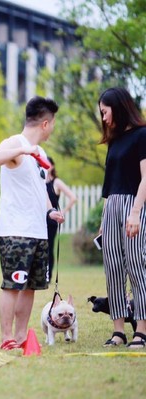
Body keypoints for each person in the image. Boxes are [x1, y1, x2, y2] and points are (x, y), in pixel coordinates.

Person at [0, 96, 64, 350]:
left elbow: (39, 190)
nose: (52, 128)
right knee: (13, 285)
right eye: (52, 123)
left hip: (38, 231)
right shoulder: (16, 143)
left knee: (30, 287)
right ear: (44, 123)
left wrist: (51, 210)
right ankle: (6, 337)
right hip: (15, 231)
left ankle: (21, 337)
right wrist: (22, 150)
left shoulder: (40, 153)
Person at [98, 87, 146, 349]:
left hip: (134, 205)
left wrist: (136, 211)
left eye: (105, 112)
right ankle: (118, 331)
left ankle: (141, 329)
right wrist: (104, 220)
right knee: (113, 268)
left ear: (118, 107)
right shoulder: (114, 141)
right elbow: (108, 186)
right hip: (113, 206)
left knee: (137, 266)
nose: (103, 118)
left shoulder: (142, 135)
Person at [45, 156, 76, 278]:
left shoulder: (56, 182)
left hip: (51, 220)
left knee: (49, 246)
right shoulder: (39, 180)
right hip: (40, 218)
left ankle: (48, 275)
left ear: (52, 166)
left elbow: (73, 197)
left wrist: (62, 212)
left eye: (48, 164)